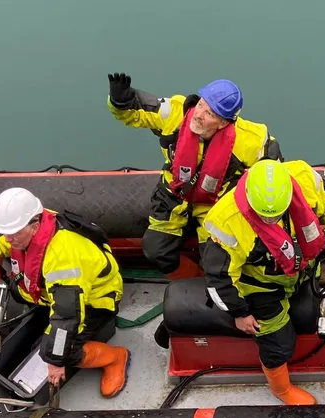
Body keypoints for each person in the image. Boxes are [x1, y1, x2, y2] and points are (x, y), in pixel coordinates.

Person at [0, 188, 130, 399]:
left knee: (62, 351)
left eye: (13, 233)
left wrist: (55, 359)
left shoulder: (63, 257)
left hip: (94, 302)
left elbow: (68, 316)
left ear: (34, 227)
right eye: (7, 231)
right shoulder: (27, 226)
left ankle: (115, 358)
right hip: (55, 296)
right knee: (19, 293)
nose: (8, 238)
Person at [199, 159, 325, 405]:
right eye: (263, 216)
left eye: (275, 215)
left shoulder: (304, 177)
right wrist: (239, 313)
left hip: (303, 267)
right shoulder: (227, 222)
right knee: (277, 341)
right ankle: (281, 389)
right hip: (261, 285)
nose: (270, 221)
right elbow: (218, 279)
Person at [106, 73, 282, 279]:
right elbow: (135, 112)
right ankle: (191, 280)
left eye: (209, 113)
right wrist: (119, 101)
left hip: (214, 205)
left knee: (216, 257)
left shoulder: (252, 140)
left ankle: (211, 281)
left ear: (224, 123)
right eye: (201, 105)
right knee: (156, 250)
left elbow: (273, 175)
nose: (199, 114)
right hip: (173, 196)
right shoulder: (175, 112)